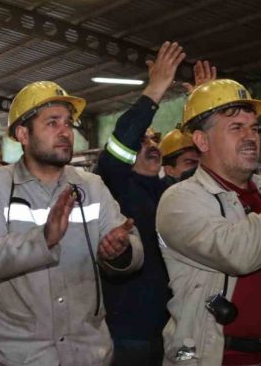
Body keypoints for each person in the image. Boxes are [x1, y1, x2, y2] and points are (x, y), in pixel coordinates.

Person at [0, 80, 144, 366]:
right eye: (52, 123)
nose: (65, 132)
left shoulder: (92, 186)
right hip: (17, 356)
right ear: (23, 134)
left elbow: (131, 248)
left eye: (68, 123)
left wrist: (120, 252)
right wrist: (43, 239)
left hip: (88, 354)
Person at [157, 79, 261, 366]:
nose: (250, 137)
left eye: (254, 128)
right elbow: (239, 254)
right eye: (236, 128)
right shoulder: (179, 200)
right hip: (216, 356)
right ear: (202, 141)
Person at [95, 41, 186, 365]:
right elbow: (121, 143)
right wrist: (155, 90)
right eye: (142, 140)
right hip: (130, 331)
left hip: (176, 324)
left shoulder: (171, 190)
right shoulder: (116, 185)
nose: (151, 144)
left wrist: (205, 110)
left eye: (154, 139)